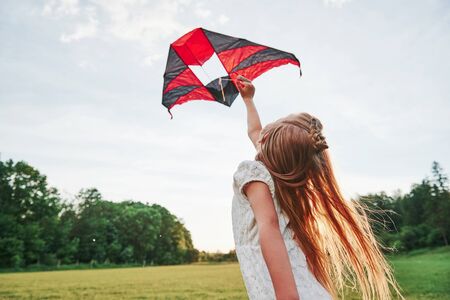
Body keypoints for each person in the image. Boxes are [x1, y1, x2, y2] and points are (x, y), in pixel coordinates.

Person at [231, 75, 405, 300]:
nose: (263, 130)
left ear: (267, 145)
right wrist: (248, 100)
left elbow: (270, 229)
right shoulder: (280, 173)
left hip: (287, 289)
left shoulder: (255, 174)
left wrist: (287, 296)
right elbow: (255, 131)